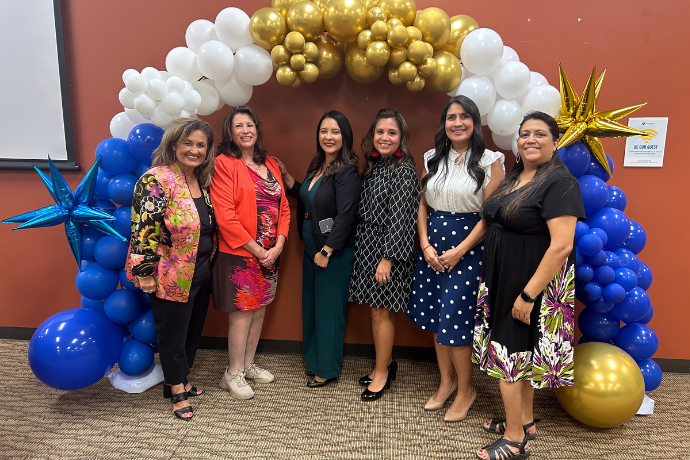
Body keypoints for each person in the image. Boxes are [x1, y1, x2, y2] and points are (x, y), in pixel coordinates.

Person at [472, 111, 585, 460]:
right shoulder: (518, 176)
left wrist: (528, 295)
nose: (530, 139)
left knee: (510, 356)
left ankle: (514, 438)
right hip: (505, 278)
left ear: (555, 141)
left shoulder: (560, 182)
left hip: (529, 283)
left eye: (539, 134)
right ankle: (524, 419)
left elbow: (562, 246)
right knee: (519, 354)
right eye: (524, 134)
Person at [406, 95, 505, 422]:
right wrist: (425, 245)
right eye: (451, 117)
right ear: (444, 124)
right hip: (432, 248)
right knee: (436, 317)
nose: (457, 123)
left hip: (469, 250)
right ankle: (446, 383)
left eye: (465, 117)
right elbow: (423, 205)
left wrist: (460, 250)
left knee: (455, 321)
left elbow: (490, 216)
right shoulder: (433, 157)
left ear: (475, 123)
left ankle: (467, 390)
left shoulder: (491, 161)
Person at [126, 117, 217, 421]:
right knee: (172, 334)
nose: (194, 150)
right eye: (188, 143)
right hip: (169, 276)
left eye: (200, 145)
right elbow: (143, 229)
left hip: (201, 272)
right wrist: (145, 273)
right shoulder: (156, 179)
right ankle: (176, 389)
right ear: (174, 144)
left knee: (191, 332)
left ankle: (182, 378)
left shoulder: (201, 182)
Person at [275, 110, 361, 388]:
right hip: (311, 244)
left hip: (331, 252)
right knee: (312, 305)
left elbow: (346, 215)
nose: (329, 136)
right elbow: (308, 196)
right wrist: (287, 177)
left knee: (328, 310)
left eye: (335, 131)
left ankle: (327, 368)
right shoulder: (318, 164)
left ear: (345, 136)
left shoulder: (347, 170)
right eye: (324, 131)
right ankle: (313, 360)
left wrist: (327, 251)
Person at [210, 106, 291, 400]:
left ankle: (246, 365)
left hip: (271, 253)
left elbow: (282, 206)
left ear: (257, 128)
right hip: (241, 252)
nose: (245, 130)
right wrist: (258, 250)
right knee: (242, 313)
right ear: (230, 133)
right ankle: (232, 371)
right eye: (238, 126)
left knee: (259, 309)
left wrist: (279, 244)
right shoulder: (223, 164)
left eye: (249, 125)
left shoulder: (269, 163)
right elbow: (225, 215)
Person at [348, 109, 419, 401]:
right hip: (367, 245)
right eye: (380, 132)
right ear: (372, 135)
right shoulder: (375, 166)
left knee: (381, 311)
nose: (385, 137)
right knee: (375, 311)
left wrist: (388, 257)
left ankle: (382, 374)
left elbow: (402, 218)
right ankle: (384, 363)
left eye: (391, 132)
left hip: (387, 250)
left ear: (401, 137)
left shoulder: (403, 170)